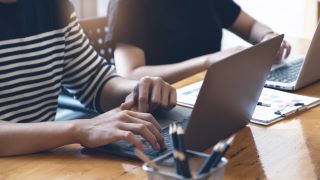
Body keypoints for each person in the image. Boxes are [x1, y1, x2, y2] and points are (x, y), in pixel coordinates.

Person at [0, 0, 176, 157]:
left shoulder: (54, 6)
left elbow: (95, 80)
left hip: (44, 161)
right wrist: (77, 129)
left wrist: (139, 89)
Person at [106, 0, 292, 83]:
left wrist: (268, 36)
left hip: (210, 94)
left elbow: (250, 26)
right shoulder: (127, 3)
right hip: (162, 107)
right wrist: (209, 62)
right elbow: (129, 74)